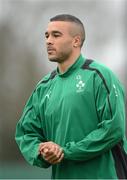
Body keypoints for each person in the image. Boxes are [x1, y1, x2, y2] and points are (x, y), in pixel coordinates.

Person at [15, 14, 127, 179]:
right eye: (46, 35)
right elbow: (26, 133)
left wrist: (66, 151)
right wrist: (43, 151)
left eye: (56, 35)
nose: (48, 41)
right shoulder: (44, 87)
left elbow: (113, 128)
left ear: (76, 41)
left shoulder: (100, 76)